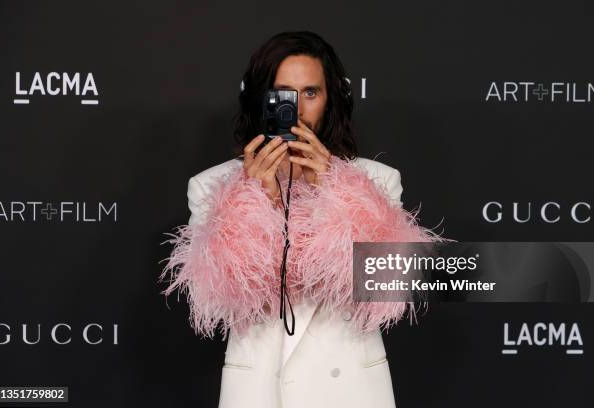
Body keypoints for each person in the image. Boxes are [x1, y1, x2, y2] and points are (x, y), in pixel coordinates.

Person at [160, 31, 444, 408]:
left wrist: (337, 191)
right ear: (262, 99)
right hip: (261, 388)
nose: (297, 109)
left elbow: (387, 285)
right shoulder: (213, 186)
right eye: (284, 94)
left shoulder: (375, 180)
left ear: (331, 99)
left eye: (310, 93)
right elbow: (217, 298)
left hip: (351, 388)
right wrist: (253, 201)